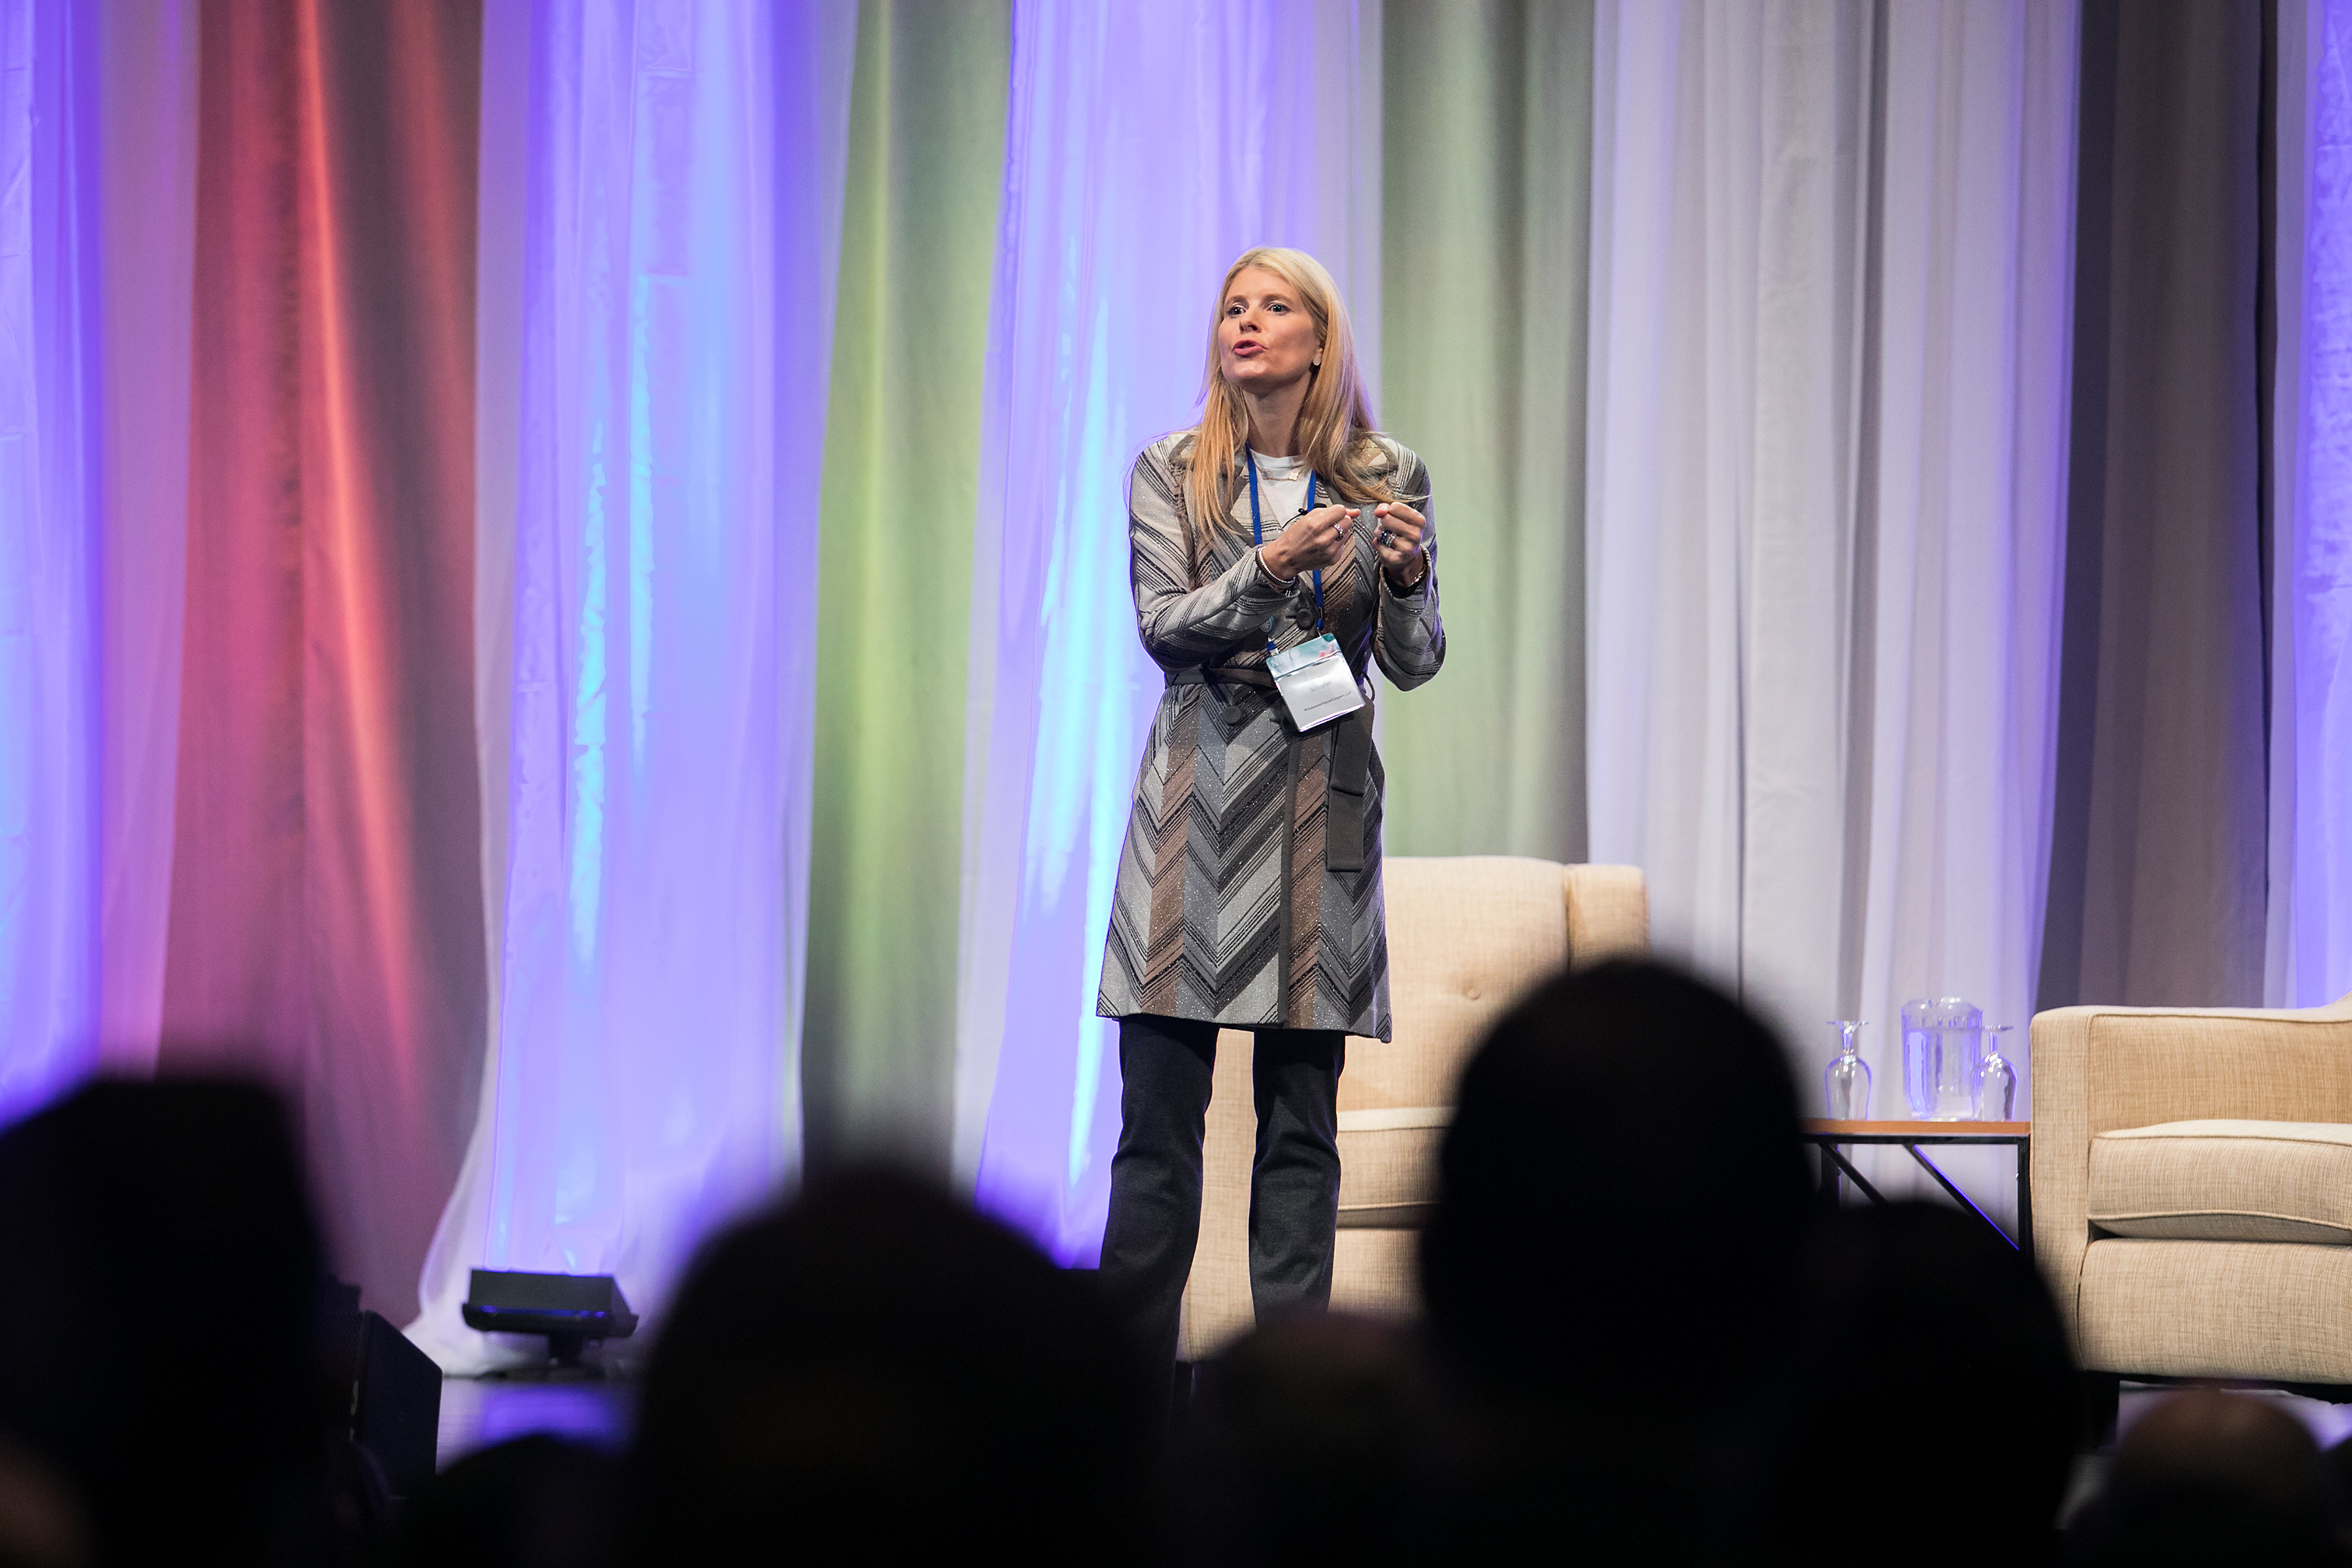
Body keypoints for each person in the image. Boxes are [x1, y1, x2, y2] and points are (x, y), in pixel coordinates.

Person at [1093, 246, 1445, 1388]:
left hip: (1319, 816)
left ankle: (1292, 1412)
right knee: (1158, 1138)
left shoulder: (1386, 470)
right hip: (1195, 814)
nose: (1246, 324)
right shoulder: (1171, 467)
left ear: (1319, 338)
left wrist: (1406, 580)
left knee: (1302, 1137)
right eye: (1233, 309)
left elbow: (1419, 661)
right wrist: (1267, 566)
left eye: (1274, 307)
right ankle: (1121, 1408)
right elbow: (1164, 625)